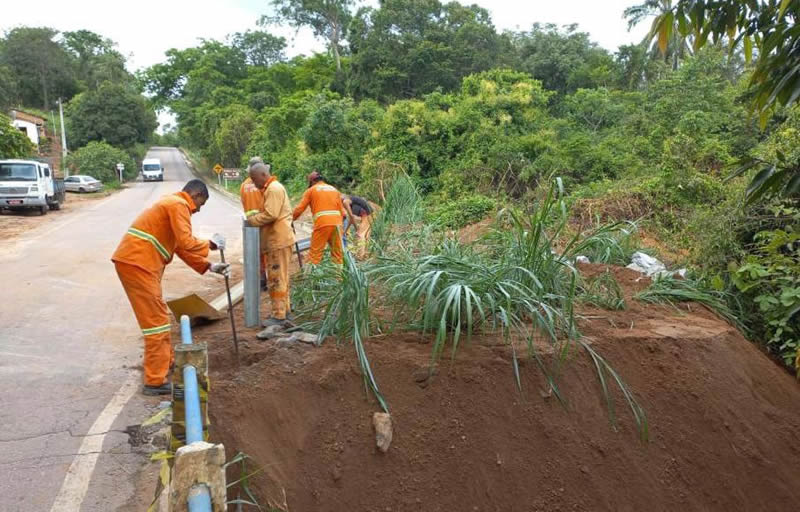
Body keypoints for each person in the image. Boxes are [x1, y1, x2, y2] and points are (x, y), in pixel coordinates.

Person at [112, 179, 230, 395]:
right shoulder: (179, 205)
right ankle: (154, 381)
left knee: (158, 319)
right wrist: (210, 244)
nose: (197, 211)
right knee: (156, 323)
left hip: (139, 264)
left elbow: (180, 248)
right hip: (139, 264)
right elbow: (186, 242)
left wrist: (210, 266)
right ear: (194, 195)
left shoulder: (171, 204)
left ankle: (165, 364)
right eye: (199, 205)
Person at [246, 163, 296, 327]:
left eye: (254, 179)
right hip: (280, 240)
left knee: (275, 278)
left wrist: (252, 221)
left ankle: (279, 316)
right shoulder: (273, 188)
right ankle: (285, 312)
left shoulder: (273, 189)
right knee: (282, 277)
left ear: (262, 175)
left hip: (277, 240)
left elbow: (271, 214)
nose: (254, 183)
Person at [292, 171, 346, 265]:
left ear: (311, 181)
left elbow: (300, 209)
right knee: (337, 255)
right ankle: (338, 278)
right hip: (337, 224)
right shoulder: (334, 189)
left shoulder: (311, 190)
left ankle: (311, 278)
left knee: (315, 255)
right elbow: (343, 213)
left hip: (323, 224)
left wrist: (290, 219)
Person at [240, 156, 268, 289]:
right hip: (263, 220)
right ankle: (266, 278)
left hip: (250, 222)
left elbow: (243, 203)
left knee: (255, 252)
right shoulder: (264, 184)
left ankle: (260, 277)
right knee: (266, 251)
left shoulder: (244, 185)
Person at [342, 194, 374, 259]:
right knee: (366, 236)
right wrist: (345, 231)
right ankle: (365, 254)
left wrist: (357, 231)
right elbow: (351, 220)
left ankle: (360, 256)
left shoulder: (345, 201)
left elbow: (351, 216)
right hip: (371, 215)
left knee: (360, 235)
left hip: (368, 215)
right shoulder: (353, 205)